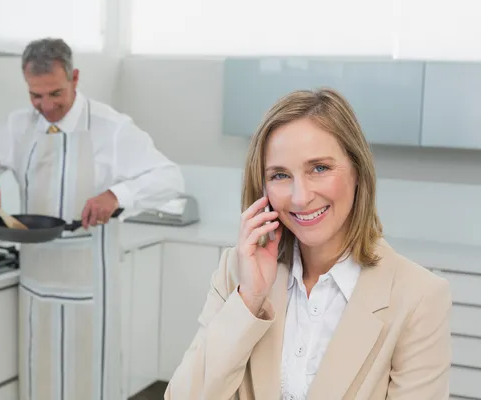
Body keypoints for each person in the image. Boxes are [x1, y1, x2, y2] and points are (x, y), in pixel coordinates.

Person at [165, 88, 452, 399]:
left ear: (357, 171)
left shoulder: (419, 297)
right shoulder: (237, 273)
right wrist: (249, 300)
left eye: (319, 168)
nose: (300, 197)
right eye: (279, 175)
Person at [0, 38, 184, 400]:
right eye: (36, 96)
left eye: (55, 94)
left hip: (91, 282)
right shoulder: (18, 126)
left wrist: (116, 195)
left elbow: (170, 178)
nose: (45, 106)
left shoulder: (111, 127)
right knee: (41, 378)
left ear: (75, 78)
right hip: (36, 280)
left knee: (90, 380)